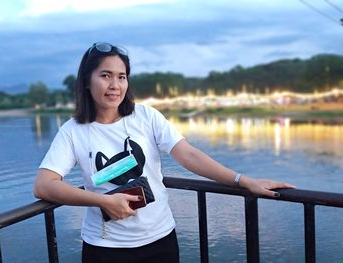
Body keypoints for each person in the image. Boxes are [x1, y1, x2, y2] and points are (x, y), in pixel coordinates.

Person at [33, 42, 296, 263]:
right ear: (87, 82)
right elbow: (44, 186)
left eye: (121, 76)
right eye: (105, 75)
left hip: (160, 241)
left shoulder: (145, 116)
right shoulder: (73, 131)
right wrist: (102, 201)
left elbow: (187, 155)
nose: (115, 85)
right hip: (105, 248)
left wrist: (243, 180)